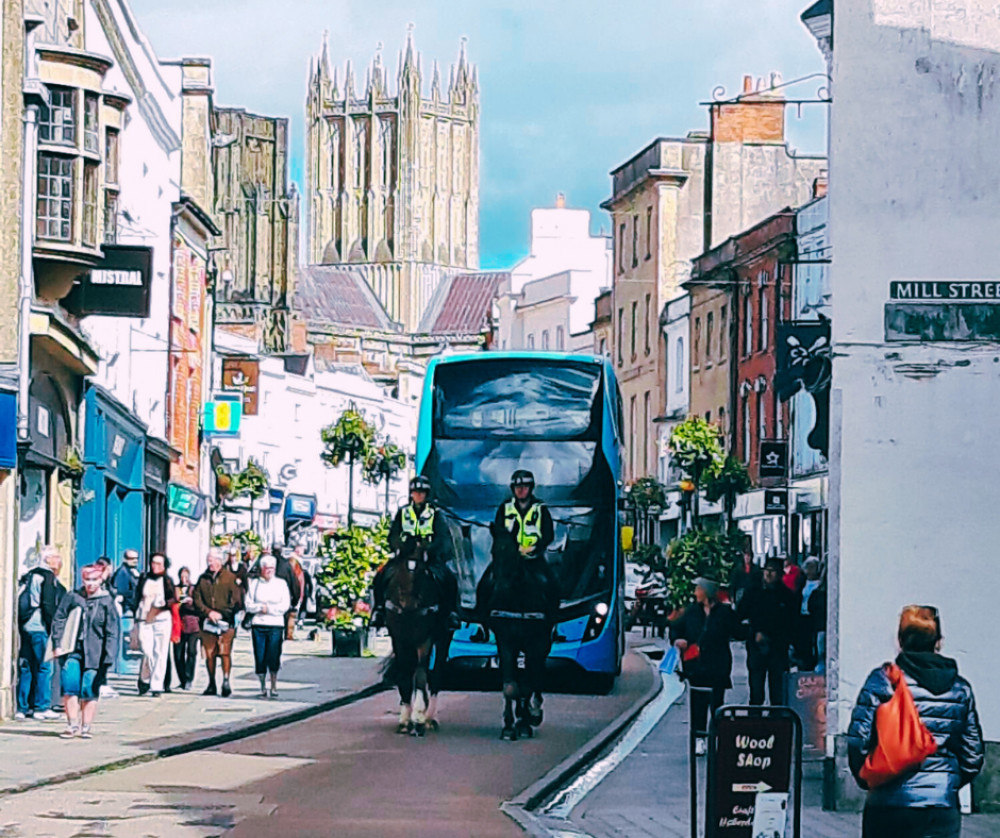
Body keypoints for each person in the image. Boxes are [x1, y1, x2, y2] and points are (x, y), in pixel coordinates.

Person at [848, 606, 984, 838]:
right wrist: (946, 782)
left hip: (887, 802)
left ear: (900, 641)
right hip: (940, 805)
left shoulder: (882, 681)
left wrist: (870, 778)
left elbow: (858, 740)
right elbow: (973, 754)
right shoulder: (960, 689)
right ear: (938, 642)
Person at [373, 475, 460, 629]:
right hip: (405, 556)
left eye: (422, 492)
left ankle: (451, 613)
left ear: (426, 494)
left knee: (449, 578)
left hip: (429, 558)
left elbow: (443, 538)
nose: (418, 495)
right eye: (415, 492)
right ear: (411, 494)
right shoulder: (403, 513)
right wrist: (401, 545)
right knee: (381, 575)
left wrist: (430, 548)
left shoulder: (435, 514)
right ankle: (379, 610)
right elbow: (393, 535)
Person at [669, 575, 745, 755]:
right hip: (696, 664)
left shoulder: (724, 612)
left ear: (707, 592)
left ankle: (717, 735)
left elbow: (738, 631)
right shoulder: (691, 611)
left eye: (699, 589)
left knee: (717, 701)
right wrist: (678, 639)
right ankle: (699, 738)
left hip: (718, 663)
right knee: (698, 702)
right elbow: (676, 628)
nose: (695, 592)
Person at [51, 564, 120, 739]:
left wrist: (109, 655)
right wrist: (57, 643)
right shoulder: (73, 597)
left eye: (94, 580)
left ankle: (86, 726)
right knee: (70, 686)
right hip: (72, 649)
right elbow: (59, 618)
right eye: (87, 580)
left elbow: (112, 631)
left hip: (95, 653)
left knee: (89, 689)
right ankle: (72, 724)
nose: (90, 583)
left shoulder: (106, 601)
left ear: (100, 580)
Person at [737, 555, 798, 706]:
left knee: (777, 690)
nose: (769, 574)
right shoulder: (753, 592)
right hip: (756, 645)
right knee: (756, 689)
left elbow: (791, 623)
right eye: (767, 571)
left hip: (777, 646)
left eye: (773, 571)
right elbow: (740, 615)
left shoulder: (787, 596)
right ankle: (756, 721)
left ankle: (777, 722)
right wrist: (752, 632)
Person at [15, 546, 66, 721]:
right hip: (40, 627)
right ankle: (42, 706)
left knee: (27, 666)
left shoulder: (30, 574)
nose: (59, 560)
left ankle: (22, 708)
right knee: (45, 667)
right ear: (48, 560)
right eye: (56, 557)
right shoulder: (48, 576)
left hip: (26, 625)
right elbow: (47, 604)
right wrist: (54, 628)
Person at [193, 548, 243, 697]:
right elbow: (197, 599)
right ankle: (211, 682)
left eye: (213, 560)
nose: (210, 563)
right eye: (209, 560)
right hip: (208, 623)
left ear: (220, 561)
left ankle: (226, 680)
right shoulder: (203, 579)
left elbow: (237, 601)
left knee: (224, 652)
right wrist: (208, 612)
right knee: (210, 653)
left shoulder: (230, 578)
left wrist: (222, 613)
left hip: (226, 623)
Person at [244, 556, 291, 698]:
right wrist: (259, 607)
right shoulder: (255, 584)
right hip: (259, 624)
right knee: (260, 655)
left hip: (276, 624)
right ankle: (263, 685)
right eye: (266, 569)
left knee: (274, 655)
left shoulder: (281, 584)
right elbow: (248, 604)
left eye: (272, 569)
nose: (269, 571)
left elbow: (285, 605)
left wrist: (269, 609)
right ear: (262, 570)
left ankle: (274, 684)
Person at [133, 553, 176, 697]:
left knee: (161, 652)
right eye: (153, 563)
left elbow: (173, 599)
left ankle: (156, 685)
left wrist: (162, 606)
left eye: (159, 563)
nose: (155, 566)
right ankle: (145, 677)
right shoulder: (144, 578)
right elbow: (137, 596)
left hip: (162, 618)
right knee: (147, 650)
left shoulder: (167, 581)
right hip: (145, 618)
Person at [173, 567, 200, 690]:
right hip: (179, 625)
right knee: (178, 654)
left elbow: (200, 605)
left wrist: (191, 602)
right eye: (182, 577)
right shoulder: (176, 589)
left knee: (191, 652)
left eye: (186, 576)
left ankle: (189, 678)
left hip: (193, 624)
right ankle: (182, 679)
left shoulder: (194, 589)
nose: (184, 579)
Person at [727, 535, 761, 610]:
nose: (747, 558)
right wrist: (732, 596)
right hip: (740, 594)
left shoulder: (756, 569)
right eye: (746, 556)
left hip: (753, 594)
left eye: (749, 556)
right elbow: (734, 583)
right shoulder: (737, 569)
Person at [285, 548, 311, 640]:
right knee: (292, 616)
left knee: (289, 615)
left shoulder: (288, 570)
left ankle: (288, 633)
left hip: (290, 594)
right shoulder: (299, 572)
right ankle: (289, 634)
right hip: (295, 595)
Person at [111, 549, 140, 614]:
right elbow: (122, 593)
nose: (135, 561)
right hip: (127, 610)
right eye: (132, 558)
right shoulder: (122, 573)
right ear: (125, 559)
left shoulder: (133, 572)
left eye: (136, 558)